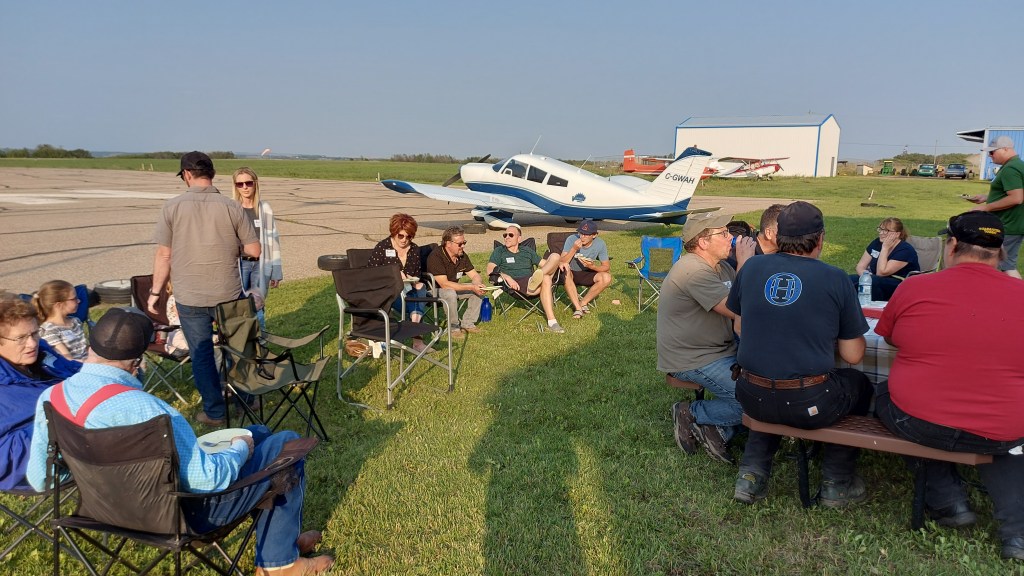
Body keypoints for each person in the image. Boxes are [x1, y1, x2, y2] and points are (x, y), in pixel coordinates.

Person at [26, 308, 332, 575]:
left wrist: (93, 472)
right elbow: (207, 480)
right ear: (136, 363)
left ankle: (281, 542)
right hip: (180, 517)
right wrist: (241, 448)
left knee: (259, 432)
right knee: (285, 445)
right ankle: (279, 564)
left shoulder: (52, 399)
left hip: (104, 512)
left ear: (91, 346)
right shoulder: (151, 411)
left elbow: (42, 478)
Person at [874, 211, 1024, 561]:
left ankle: (948, 500)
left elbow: (891, 337)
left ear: (952, 245)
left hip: (918, 420)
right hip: (1004, 427)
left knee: (884, 395)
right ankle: (1017, 534)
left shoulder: (916, 287)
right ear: (1001, 252)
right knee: (1006, 445)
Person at [726, 201, 872, 507]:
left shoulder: (751, 267)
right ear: (820, 239)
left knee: (772, 380)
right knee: (859, 384)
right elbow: (853, 355)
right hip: (809, 403)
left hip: (750, 395)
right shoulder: (835, 277)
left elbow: (739, 326)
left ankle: (751, 475)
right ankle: (836, 481)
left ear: (777, 235)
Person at [149, 151, 260, 427]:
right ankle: (246, 400)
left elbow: (164, 255)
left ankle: (214, 411)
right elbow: (254, 250)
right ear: (212, 174)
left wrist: (155, 293)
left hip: (191, 297)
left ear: (187, 174)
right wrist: (230, 246)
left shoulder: (171, 207)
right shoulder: (232, 207)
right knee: (239, 348)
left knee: (201, 354)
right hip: (228, 292)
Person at [658, 212, 755, 464]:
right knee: (755, 400)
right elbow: (738, 307)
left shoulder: (722, 268)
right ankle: (691, 412)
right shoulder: (692, 270)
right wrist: (745, 262)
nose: (730, 238)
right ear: (702, 242)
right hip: (693, 358)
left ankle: (717, 429)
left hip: (721, 350)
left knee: (766, 387)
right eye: (723, 233)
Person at [0, 293, 80, 491]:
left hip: (75, 438)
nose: (32, 343)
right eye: (20, 338)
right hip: (40, 466)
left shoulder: (41, 353)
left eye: (35, 333)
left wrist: (106, 369)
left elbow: (73, 370)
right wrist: (59, 424)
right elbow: (5, 457)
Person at [368, 213, 433, 352]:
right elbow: (371, 275)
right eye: (401, 236)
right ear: (394, 232)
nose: (404, 240)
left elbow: (417, 274)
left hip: (409, 291)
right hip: (389, 294)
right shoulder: (383, 247)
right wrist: (394, 276)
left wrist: (410, 277)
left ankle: (414, 324)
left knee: (420, 286)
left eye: (409, 236)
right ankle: (417, 337)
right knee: (417, 300)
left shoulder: (414, 249)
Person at [486, 223, 565, 333]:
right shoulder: (500, 251)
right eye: (505, 235)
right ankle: (552, 322)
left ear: (519, 238)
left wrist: (559, 263)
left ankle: (537, 278)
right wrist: (507, 277)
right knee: (546, 278)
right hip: (516, 283)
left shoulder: (527, 250)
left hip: (532, 279)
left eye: (510, 235)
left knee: (555, 256)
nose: (507, 237)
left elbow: (545, 264)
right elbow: (490, 269)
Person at [232, 168, 283, 329]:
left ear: (255, 184)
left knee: (258, 303)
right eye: (240, 184)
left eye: (248, 183)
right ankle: (241, 338)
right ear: (235, 186)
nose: (245, 187)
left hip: (260, 263)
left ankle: (260, 339)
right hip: (240, 264)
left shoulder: (264, 208)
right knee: (238, 303)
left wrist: (276, 271)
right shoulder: (232, 208)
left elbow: (273, 239)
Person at [967, 136, 1024, 278]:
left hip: (1009, 225)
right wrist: (986, 197)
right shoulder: (1018, 165)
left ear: (1005, 149)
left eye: (992, 152)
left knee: (1005, 266)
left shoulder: (1010, 169)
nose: (990, 155)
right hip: (1014, 223)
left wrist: (986, 208)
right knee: (1005, 265)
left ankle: (1017, 291)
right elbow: (1014, 192)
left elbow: (1016, 198)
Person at [426, 226, 485, 336]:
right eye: (460, 244)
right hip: (432, 291)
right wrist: (471, 287)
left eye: (464, 242)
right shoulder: (436, 257)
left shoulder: (461, 255)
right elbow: (444, 284)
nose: (463, 246)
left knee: (478, 290)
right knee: (450, 293)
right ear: (448, 243)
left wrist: (477, 284)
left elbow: (475, 275)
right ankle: (454, 328)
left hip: (452, 289)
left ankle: (468, 323)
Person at [849, 217, 920, 301]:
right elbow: (860, 266)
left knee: (873, 282)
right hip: (874, 278)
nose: (881, 233)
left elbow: (881, 272)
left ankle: (869, 307)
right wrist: (865, 279)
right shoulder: (876, 243)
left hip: (899, 284)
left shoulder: (905, 250)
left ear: (897, 234)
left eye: (886, 231)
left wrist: (885, 248)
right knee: (847, 280)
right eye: (880, 229)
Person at [559, 220, 612, 319]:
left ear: (594, 235)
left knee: (607, 277)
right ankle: (578, 308)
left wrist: (592, 267)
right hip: (571, 273)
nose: (582, 236)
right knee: (566, 271)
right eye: (581, 233)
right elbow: (561, 261)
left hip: (588, 271)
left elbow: (606, 266)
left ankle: (583, 302)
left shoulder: (600, 243)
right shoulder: (571, 239)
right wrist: (574, 249)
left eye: (586, 234)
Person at [34, 279, 88, 361]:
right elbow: (67, 360)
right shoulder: (49, 330)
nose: (79, 301)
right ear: (59, 305)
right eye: (74, 298)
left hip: (88, 361)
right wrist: (93, 364)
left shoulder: (75, 321)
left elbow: (84, 349)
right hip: (75, 367)